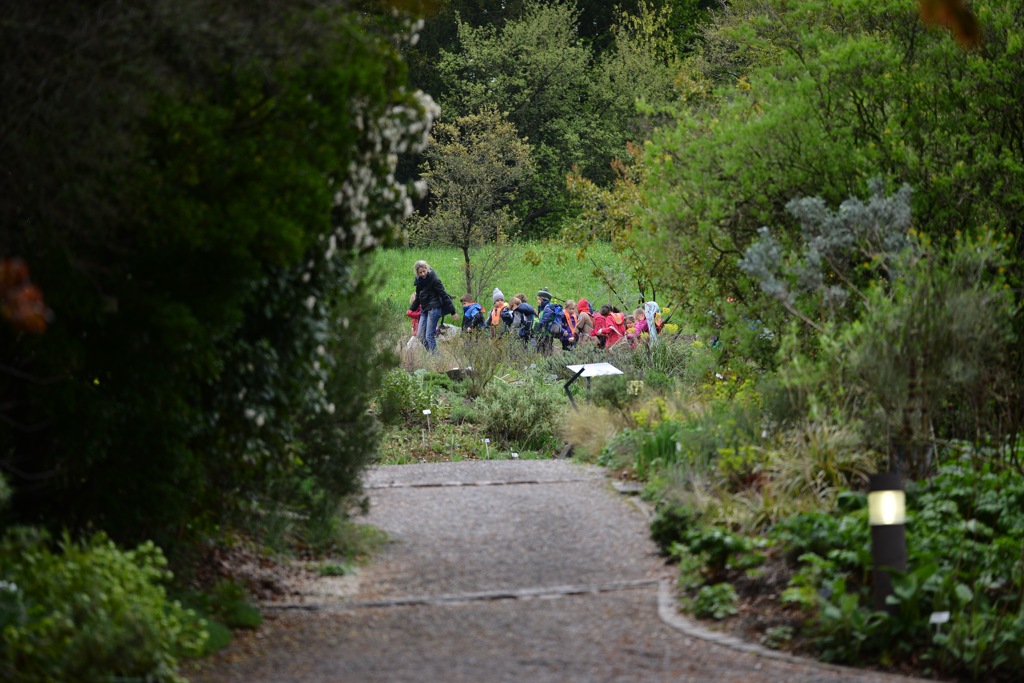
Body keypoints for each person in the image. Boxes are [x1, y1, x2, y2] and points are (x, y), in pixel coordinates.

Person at [411, 260, 450, 353]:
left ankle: (436, 357)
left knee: (429, 336)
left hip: (434, 308)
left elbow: (443, 294)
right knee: (420, 336)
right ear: (417, 273)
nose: (423, 274)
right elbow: (418, 298)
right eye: (420, 273)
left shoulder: (434, 279)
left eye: (424, 271)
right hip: (425, 309)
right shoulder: (419, 282)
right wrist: (411, 309)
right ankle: (432, 354)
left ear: (427, 269)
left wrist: (452, 311)